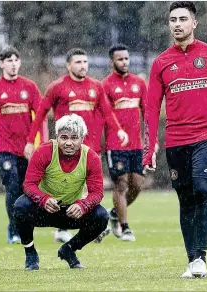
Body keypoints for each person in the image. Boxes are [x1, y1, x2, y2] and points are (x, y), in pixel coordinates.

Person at [143, 1, 207, 278]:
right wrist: (149, 146)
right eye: (173, 20)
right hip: (176, 140)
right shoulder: (161, 62)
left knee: (202, 188)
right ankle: (192, 261)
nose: (177, 24)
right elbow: (151, 108)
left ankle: (201, 256)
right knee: (185, 198)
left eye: (183, 19)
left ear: (194, 23)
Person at [24, 48, 129, 243]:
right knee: (68, 188)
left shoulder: (95, 86)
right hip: (65, 149)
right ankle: (64, 226)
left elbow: (107, 112)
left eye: (85, 62)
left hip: (90, 148)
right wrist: (31, 141)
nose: (83, 66)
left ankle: (86, 228)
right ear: (68, 65)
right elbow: (40, 114)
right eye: (78, 62)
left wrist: (119, 130)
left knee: (91, 191)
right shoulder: (57, 87)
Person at [13, 114, 108, 270]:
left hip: (72, 213)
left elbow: (97, 193)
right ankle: (30, 253)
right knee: (20, 206)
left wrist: (83, 205)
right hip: (43, 210)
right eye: (64, 138)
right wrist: (43, 199)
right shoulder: (44, 151)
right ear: (56, 137)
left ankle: (69, 249)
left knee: (102, 216)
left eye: (74, 138)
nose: (69, 143)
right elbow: (29, 185)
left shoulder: (91, 157)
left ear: (82, 138)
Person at [0, 47, 48, 244]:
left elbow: (40, 117)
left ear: (20, 62)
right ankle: (13, 229)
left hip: (26, 149)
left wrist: (34, 144)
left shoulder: (29, 87)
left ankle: (21, 225)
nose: (13, 63)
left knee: (25, 188)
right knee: (12, 186)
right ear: (1, 63)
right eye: (8, 60)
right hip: (4, 148)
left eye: (15, 60)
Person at [95, 44, 151, 243]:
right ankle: (125, 227)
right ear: (112, 62)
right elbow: (104, 116)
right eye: (120, 59)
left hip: (136, 145)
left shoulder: (139, 83)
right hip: (115, 145)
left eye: (126, 59)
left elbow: (148, 114)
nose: (124, 62)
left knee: (137, 184)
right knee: (121, 184)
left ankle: (114, 214)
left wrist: (151, 141)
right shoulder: (105, 85)